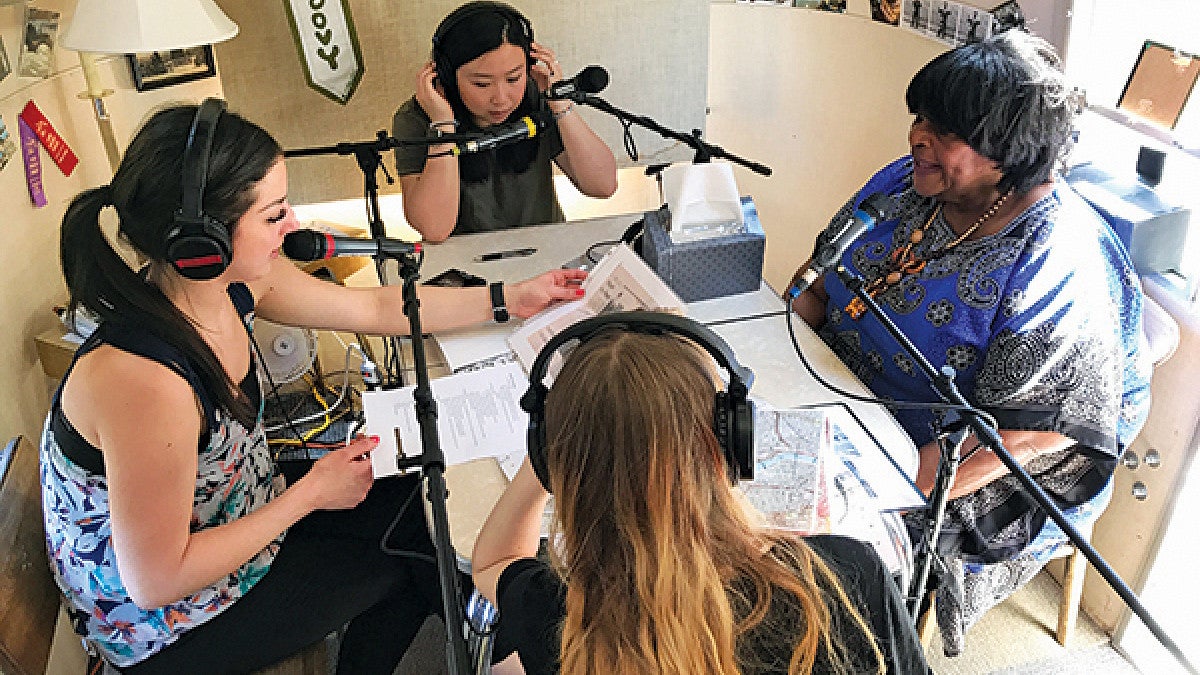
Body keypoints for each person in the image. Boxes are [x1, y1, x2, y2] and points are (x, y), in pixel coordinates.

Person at [40, 99, 584, 673]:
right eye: (274, 215)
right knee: (410, 555)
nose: (293, 225)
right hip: (164, 626)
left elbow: (375, 305)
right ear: (203, 243)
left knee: (420, 506)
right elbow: (157, 579)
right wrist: (310, 496)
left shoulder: (228, 284)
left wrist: (507, 297)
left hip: (236, 513)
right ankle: (516, 658)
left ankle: (503, 653)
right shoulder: (144, 380)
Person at [786, 30, 1151, 655]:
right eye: (919, 118)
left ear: (1008, 151)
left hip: (978, 460)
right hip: (852, 396)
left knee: (824, 562)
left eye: (943, 131)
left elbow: (1032, 434)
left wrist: (880, 491)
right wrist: (777, 354)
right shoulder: (908, 181)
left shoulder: (1057, 259)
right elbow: (820, 279)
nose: (916, 138)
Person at [472, 320, 931, 674]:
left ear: (554, 459)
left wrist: (557, 447)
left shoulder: (562, 615)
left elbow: (492, 562)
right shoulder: (845, 575)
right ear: (729, 448)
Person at [392, 0, 617, 242]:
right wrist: (442, 125)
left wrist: (560, 103)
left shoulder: (537, 97)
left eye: (513, 78)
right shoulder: (416, 118)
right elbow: (434, 228)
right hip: (465, 269)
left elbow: (603, 186)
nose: (501, 99)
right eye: (482, 84)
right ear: (446, 76)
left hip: (545, 255)